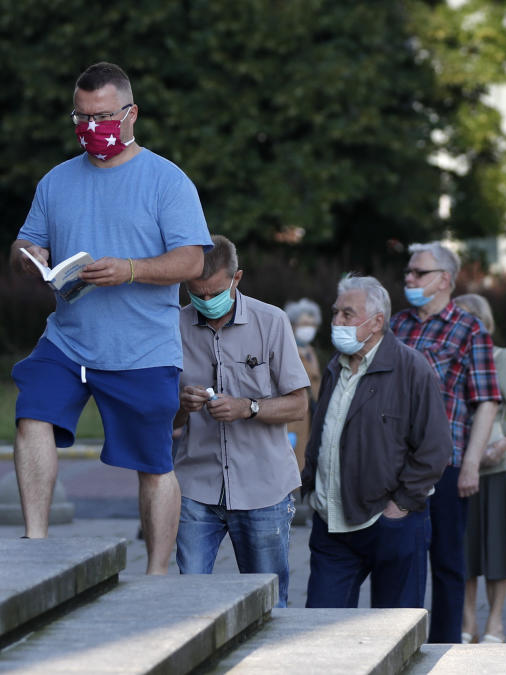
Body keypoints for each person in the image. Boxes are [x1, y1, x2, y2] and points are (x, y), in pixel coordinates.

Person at [10, 62, 212, 574]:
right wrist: (28, 255)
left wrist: (130, 269)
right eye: (80, 117)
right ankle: (34, 543)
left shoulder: (167, 180)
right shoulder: (56, 181)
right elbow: (25, 243)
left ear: (130, 113)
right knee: (32, 412)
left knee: (154, 463)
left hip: (142, 349)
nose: (90, 127)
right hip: (68, 340)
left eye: (101, 116)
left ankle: (157, 572)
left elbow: (193, 261)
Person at [174, 236, 309, 607]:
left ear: (237, 279)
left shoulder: (272, 321)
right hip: (195, 486)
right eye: (195, 292)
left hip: (263, 488)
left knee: (268, 604)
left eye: (214, 291)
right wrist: (182, 405)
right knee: (189, 602)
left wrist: (248, 407)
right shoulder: (174, 325)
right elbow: (165, 422)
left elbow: (299, 405)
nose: (204, 300)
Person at [302, 275, 452, 609]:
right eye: (336, 313)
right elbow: (323, 436)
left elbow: (436, 447)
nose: (336, 321)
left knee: (394, 634)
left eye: (347, 314)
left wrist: (399, 506)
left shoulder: (412, 369)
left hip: (389, 522)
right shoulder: (334, 368)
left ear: (377, 322)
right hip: (332, 525)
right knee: (319, 632)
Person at [390, 242, 501, 643]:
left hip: (445, 464)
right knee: (399, 558)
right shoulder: (396, 325)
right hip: (394, 465)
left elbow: (486, 400)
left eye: (418, 273)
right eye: (408, 271)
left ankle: (444, 648)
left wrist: (471, 464)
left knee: (448, 563)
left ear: (444, 281)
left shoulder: (470, 329)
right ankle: (400, 644)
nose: (409, 279)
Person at [454, 294, 506, 645]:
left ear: (483, 323)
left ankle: (495, 623)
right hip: (456, 466)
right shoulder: (449, 360)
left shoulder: (501, 358)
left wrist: (505, 443)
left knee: (497, 549)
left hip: (496, 468)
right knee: (463, 550)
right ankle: (468, 620)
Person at [283, 298, 323, 472]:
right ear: (292, 325)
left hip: (312, 414)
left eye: (312, 324)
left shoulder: (311, 352)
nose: (309, 328)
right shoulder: (287, 350)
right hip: (293, 419)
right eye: (304, 323)